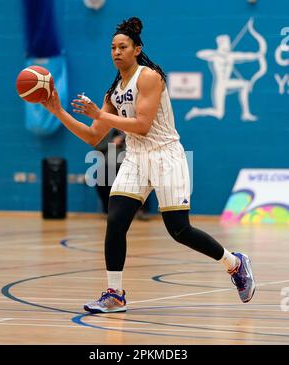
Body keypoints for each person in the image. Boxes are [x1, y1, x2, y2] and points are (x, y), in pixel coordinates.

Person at [41, 17, 256, 314]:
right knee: (115, 221)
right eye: (113, 47)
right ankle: (114, 294)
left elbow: (142, 125)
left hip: (166, 155)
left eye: (122, 46)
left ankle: (234, 263)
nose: (116, 52)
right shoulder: (114, 90)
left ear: (137, 49)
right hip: (136, 158)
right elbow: (93, 137)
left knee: (179, 230)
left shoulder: (150, 77)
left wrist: (99, 115)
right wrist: (58, 111)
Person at [94, 128, 125, 214]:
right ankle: (107, 208)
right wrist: (112, 143)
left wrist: (124, 138)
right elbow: (98, 146)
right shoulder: (107, 130)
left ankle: (141, 210)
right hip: (109, 164)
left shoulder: (133, 129)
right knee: (102, 180)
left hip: (129, 163)